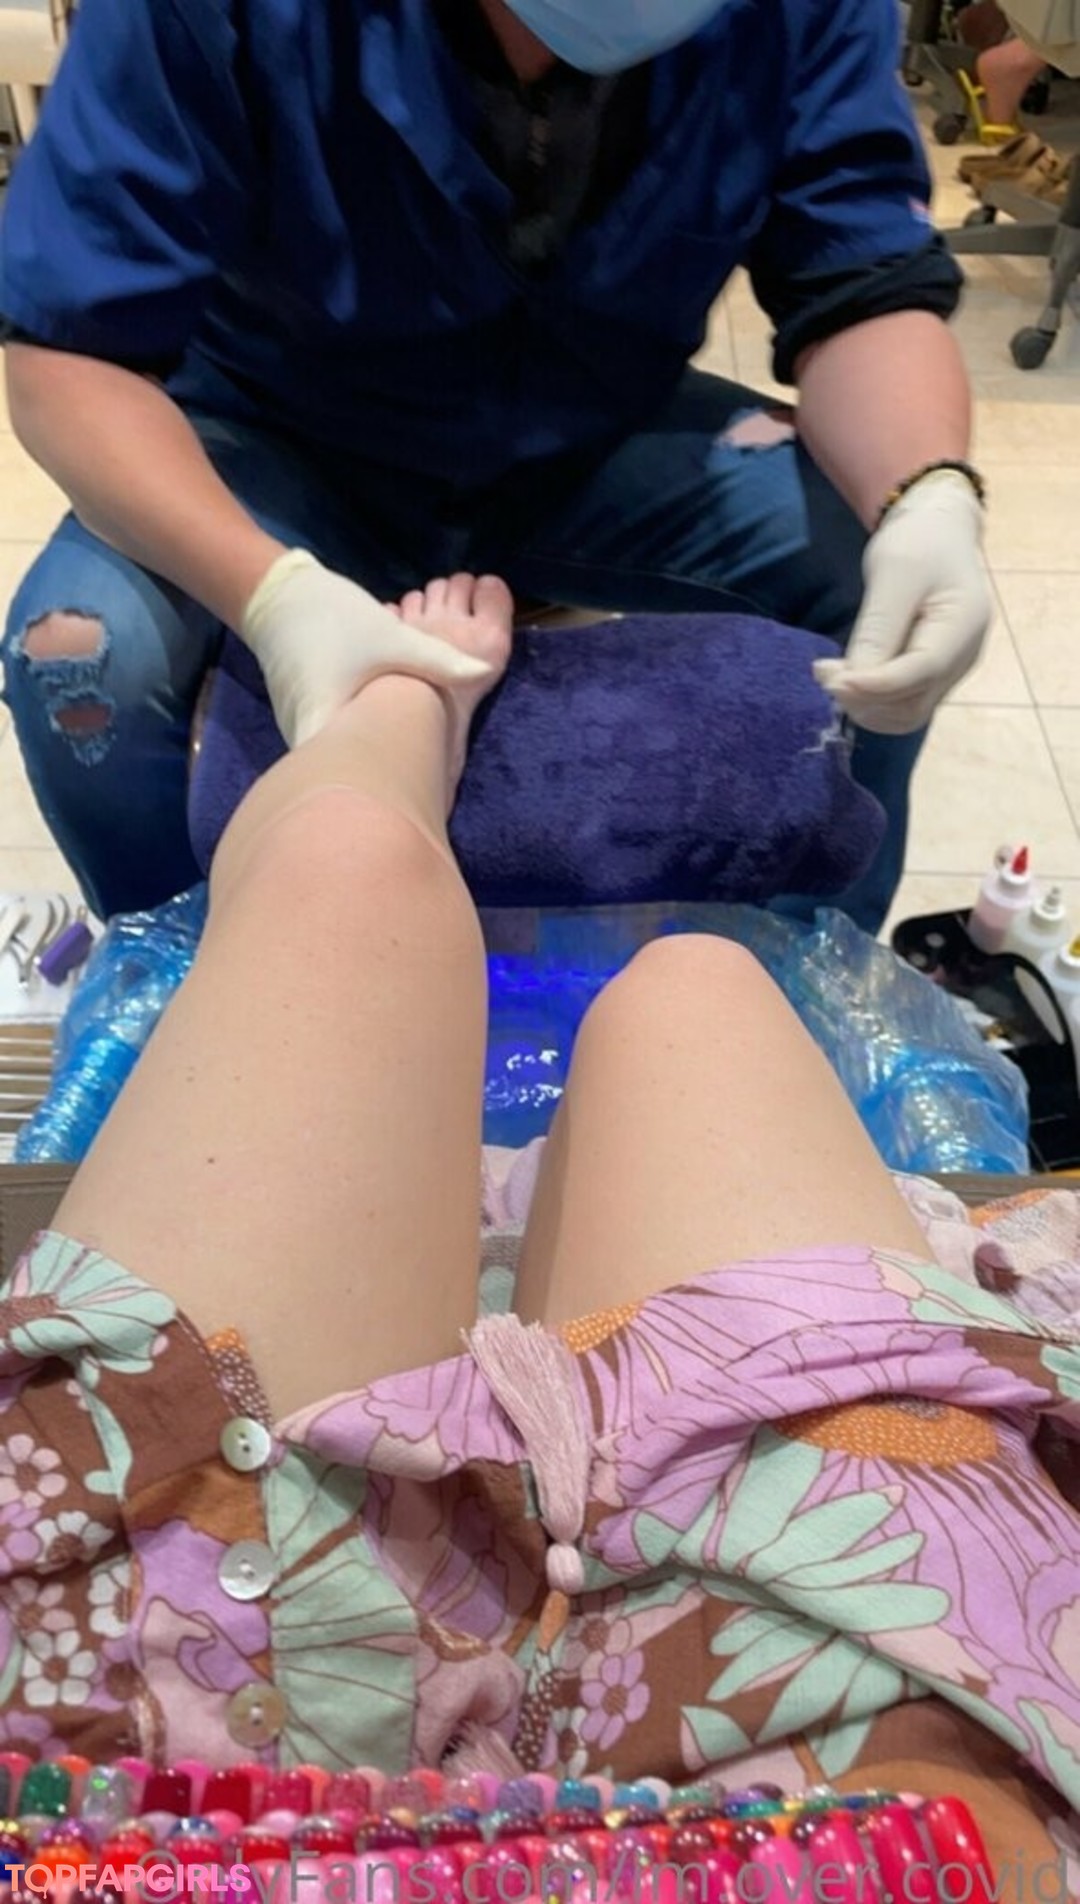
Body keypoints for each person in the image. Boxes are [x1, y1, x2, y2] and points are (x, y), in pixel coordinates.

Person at [0, 576, 1077, 1895]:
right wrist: (268, 586)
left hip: (92, 1768)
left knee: (349, 860)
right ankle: (399, 703)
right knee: (695, 1002)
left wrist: (926, 490)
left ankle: (402, 709)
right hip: (894, 1817)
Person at [0, 0, 991, 934]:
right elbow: (69, 354)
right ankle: (183, 974)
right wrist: (271, 596)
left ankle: (816, 979)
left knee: (881, 589)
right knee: (80, 654)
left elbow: (861, 282)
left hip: (591, 429)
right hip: (284, 427)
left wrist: (928, 495)